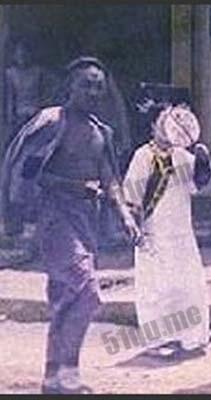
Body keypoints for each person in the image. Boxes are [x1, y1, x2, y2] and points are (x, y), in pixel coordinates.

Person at [0, 56, 141, 394]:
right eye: (86, 85)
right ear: (70, 87)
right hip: (56, 217)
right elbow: (26, 169)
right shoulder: (51, 123)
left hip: (87, 219)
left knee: (67, 297)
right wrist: (16, 214)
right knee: (87, 291)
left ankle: (57, 376)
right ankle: (67, 372)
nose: (93, 92)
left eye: (99, 87)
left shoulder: (101, 132)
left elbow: (110, 179)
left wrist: (124, 214)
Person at [123, 82, 211, 359]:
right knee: (156, 287)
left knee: (186, 284)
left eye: (173, 122)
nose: (168, 128)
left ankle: (190, 337)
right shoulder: (143, 156)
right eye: (163, 122)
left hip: (181, 232)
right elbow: (132, 196)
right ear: (153, 126)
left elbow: (200, 183)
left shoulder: (182, 156)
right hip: (153, 232)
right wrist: (134, 226)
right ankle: (158, 340)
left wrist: (202, 159)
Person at [3, 39, 49, 235]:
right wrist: (10, 121)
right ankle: (13, 218)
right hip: (17, 120)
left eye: (25, 52)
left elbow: (43, 96)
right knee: (13, 163)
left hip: (35, 118)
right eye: (18, 53)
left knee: (34, 162)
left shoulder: (38, 72)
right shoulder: (10, 74)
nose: (22, 56)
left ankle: (34, 215)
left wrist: (40, 116)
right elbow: (9, 101)